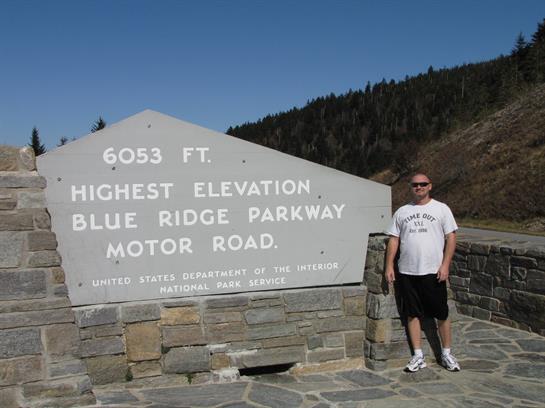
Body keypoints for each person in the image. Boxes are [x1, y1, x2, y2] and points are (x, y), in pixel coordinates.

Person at [385, 173, 460, 372]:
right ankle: (418, 355)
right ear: (411, 187)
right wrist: (389, 265)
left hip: (433, 271)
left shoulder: (441, 209)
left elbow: (451, 238)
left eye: (423, 184)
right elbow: (394, 239)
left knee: (441, 313)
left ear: (430, 186)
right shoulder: (402, 211)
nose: (419, 187)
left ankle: (446, 353)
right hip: (407, 271)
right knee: (412, 314)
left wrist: (445, 265)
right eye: (415, 185)